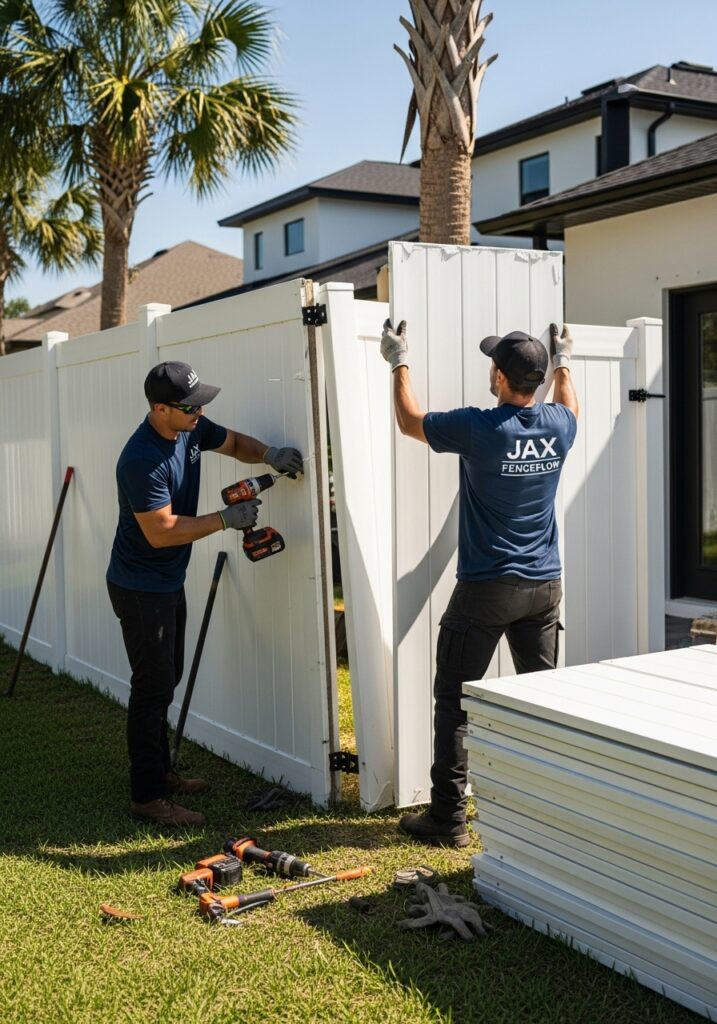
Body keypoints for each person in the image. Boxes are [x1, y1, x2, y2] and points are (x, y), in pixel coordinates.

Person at [381, 320, 579, 847]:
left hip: (488, 588)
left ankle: (447, 818)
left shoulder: (481, 427)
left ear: (498, 376)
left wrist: (398, 359)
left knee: (455, 698)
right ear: (535, 380)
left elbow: (409, 421)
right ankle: (544, 811)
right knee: (540, 700)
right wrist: (563, 363)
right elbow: (571, 405)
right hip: (543, 586)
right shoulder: (560, 425)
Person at [106, 360, 303, 827]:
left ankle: (161, 773)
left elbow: (233, 443)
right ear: (160, 409)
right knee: (151, 689)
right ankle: (148, 797)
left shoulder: (190, 430)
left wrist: (270, 453)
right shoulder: (140, 459)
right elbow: (161, 531)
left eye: (201, 404)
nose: (199, 412)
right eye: (190, 406)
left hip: (166, 582)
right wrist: (223, 520)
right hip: (139, 587)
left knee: (166, 679)